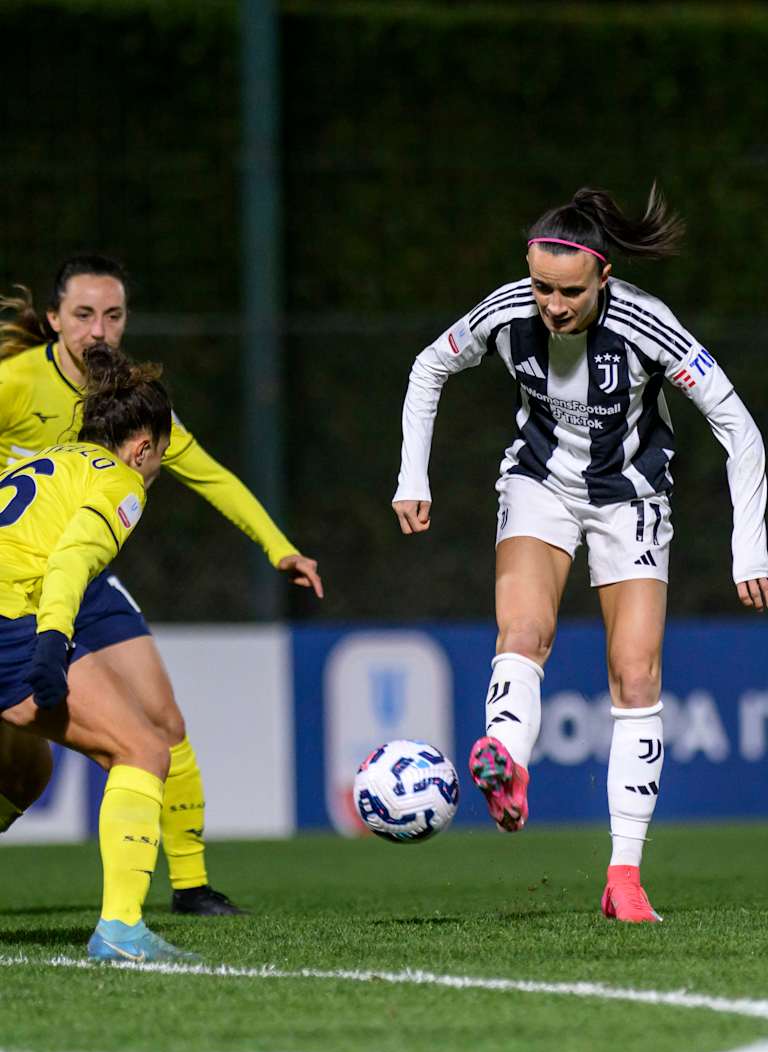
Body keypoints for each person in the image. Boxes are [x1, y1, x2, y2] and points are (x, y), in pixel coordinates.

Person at [393, 185, 768, 922]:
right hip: (539, 485)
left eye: (569, 292)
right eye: (541, 287)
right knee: (524, 633)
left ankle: (623, 875)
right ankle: (506, 762)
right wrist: (413, 473)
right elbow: (427, 367)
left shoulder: (647, 326)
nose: (552, 306)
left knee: (634, 677)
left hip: (630, 498)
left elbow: (738, 427)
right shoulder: (506, 313)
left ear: (604, 278)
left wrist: (748, 545)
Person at [0, 255, 323, 915]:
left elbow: (212, 476)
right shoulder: (15, 384)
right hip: (24, 577)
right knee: (28, 773)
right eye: (84, 314)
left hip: (80, 575)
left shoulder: (129, 408)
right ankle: (122, 920)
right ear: (55, 319)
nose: (99, 329)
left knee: (163, 722)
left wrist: (279, 547)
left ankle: (190, 886)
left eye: (113, 315)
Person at [0, 341, 196, 962]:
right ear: (143, 447)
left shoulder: (48, 462)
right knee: (141, 748)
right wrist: (52, 645)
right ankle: (121, 930)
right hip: (8, 620)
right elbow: (70, 564)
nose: (158, 467)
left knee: (25, 773)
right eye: (161, 456)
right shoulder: (122, 483)